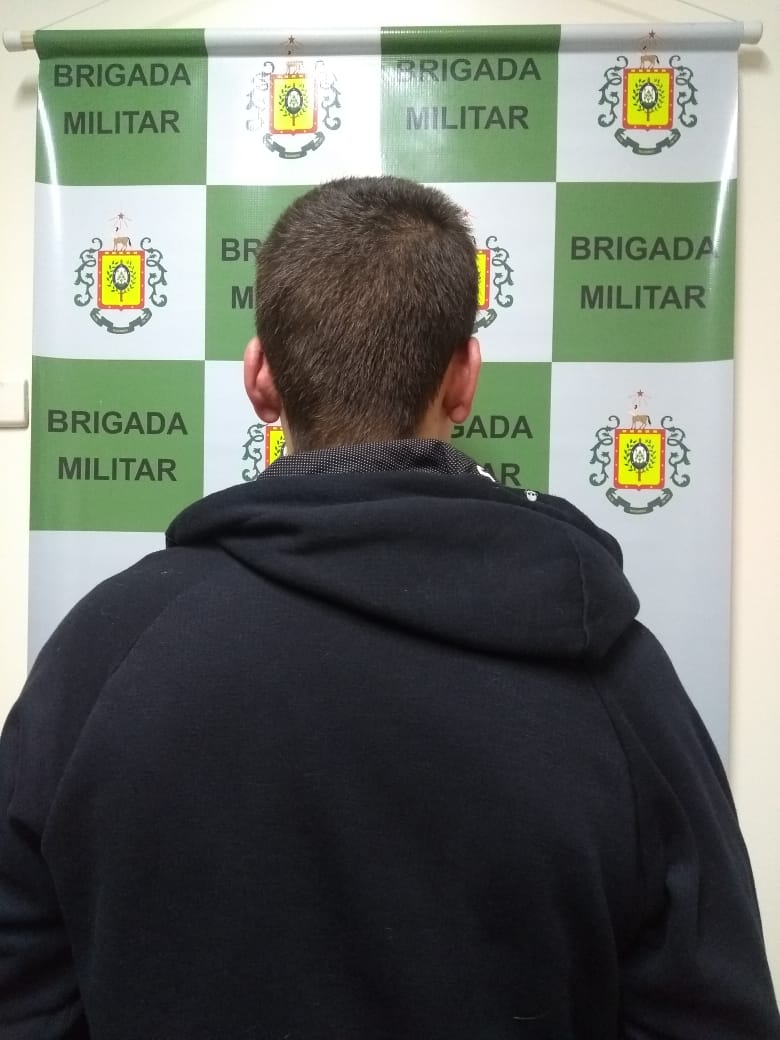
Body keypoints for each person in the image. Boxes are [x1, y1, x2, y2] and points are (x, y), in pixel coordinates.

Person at [0, 176, 778, 1040]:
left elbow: (22, 990)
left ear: (260, 377)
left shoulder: (102, 655)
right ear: (464, 378)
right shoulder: (615, 679)